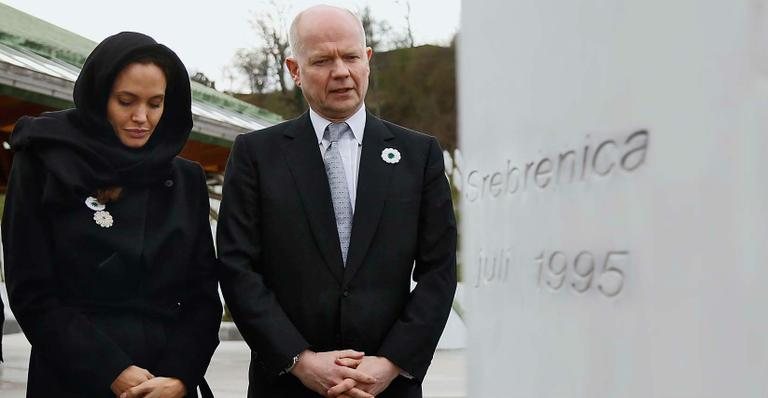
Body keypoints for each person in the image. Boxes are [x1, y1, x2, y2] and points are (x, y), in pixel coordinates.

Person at [217, 5, 457, 398]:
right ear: (295, 70)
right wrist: (300, 360)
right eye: (322, 60)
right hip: (286, 386)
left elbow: (439, 271)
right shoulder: (255, 155)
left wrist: (391, 363)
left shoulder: (420, 155)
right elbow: (237, 267)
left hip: (385, 387)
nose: (341, 71)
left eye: (350, 56)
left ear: (368, 60)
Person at [2, 32, 221, 398]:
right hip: (72, 377)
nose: (141, 117)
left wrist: (181, 376)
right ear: (99, 96)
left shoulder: (186, 179)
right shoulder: (44, 161)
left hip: (165, 384)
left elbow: (202, 298)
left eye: (155, 103)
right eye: (126, 101)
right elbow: (32, 291)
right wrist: (111, 370)